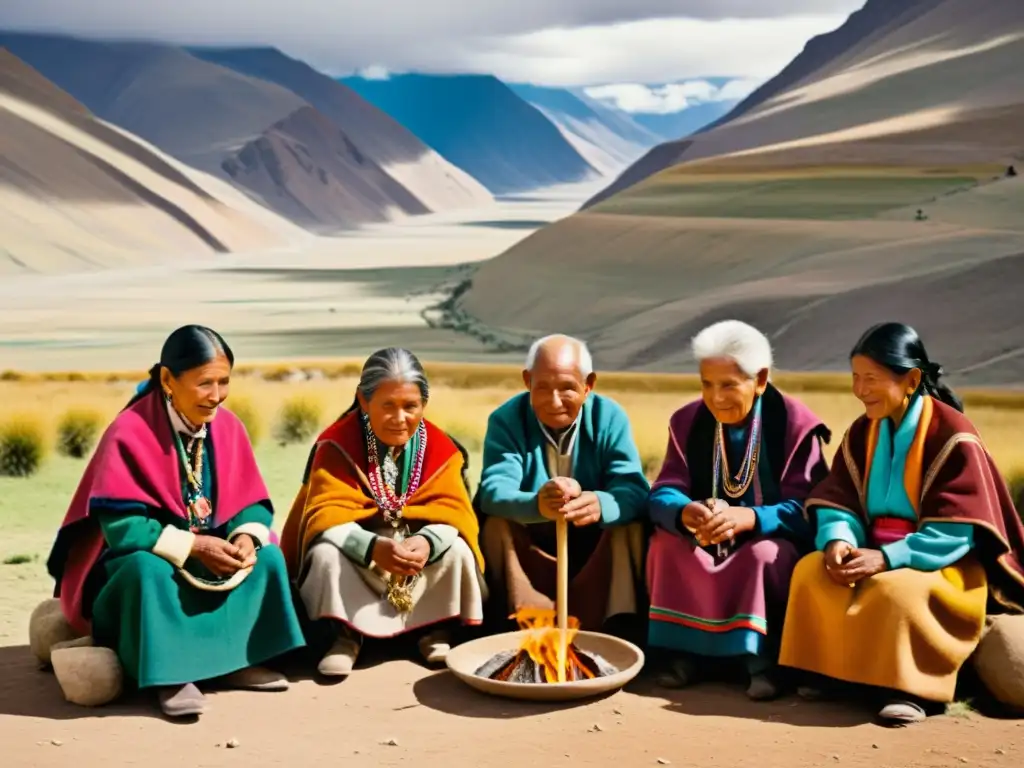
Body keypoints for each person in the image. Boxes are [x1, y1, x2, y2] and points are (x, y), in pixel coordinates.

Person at [46, 325, 305, 719]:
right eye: (204, 383)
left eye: (223, 382)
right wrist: (195, 546)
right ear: (168, 379)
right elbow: (121, 529)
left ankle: (238, 659)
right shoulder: (130, 432)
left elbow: (250, 502)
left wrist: (244, 538)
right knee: (145, 571)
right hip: (144, 557)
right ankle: (169, 674)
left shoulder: (228, 426)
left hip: (212, 552)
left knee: (267, 558)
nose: (216, 395)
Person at [779, 322, 1024, 725]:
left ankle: (913, 691)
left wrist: (888, 557)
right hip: (871, 549)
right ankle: (831, 677)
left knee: (897, 593)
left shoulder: (954, 435)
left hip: (940, 563)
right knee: (811, 572)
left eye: (871, 379)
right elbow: (840, 495)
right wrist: (839, 539)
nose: (860, 390)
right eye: (855, 378)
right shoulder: (863, 432)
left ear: (910, 379)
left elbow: (957, 529)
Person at [646, 320, 830, 699]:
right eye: (706, 384)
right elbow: (665, 488)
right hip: (704, 533)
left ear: (760, 379)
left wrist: (750, 518)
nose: (716, 398)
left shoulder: (794, 425)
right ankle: (687, 655)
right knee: (668, 546)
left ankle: (762, 663)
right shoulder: (687, 421)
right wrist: (685, 512)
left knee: (761, 556)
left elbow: (810, 506)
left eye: (729, 385)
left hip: (768, 536)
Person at [280, 347, 485, 677]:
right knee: (325, 555)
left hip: (419, 556)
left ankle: (434, 631)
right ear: (364, 401)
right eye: (387, 405)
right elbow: (323, 515)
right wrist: (371, 547)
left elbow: (455, 511)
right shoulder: (336, 444)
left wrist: (429, 542)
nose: (399, 417)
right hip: (360, 556)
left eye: (410, 406)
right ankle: (345, 637)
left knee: (458, 549)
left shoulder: (441, 448)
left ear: (424, 404)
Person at [475, 334, 649, 634]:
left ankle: (618, 628)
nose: (554, 401)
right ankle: (522, 628)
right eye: (542, 387)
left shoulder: (609, 418)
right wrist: (537, 505)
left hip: (594, 544)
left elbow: (633, 488)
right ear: (528, 381)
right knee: (496, 526)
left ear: (588, 384)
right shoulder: (507, 419)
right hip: (531, 543)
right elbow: (493, 491)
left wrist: (601, 504)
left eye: (567, 388)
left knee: (628, 526)